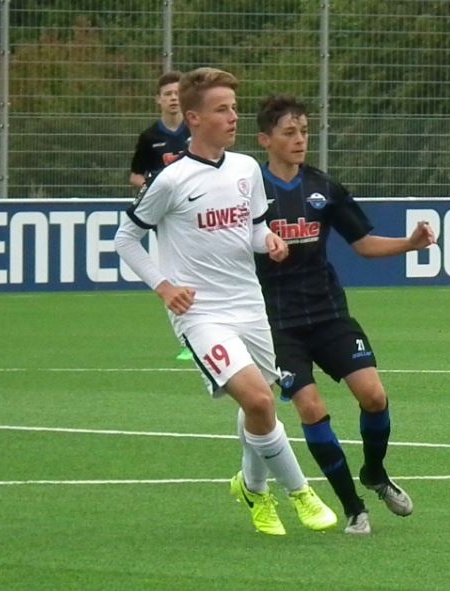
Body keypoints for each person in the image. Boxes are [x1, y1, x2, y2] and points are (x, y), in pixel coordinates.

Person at [115, 67, 337, 536]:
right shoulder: (171, 180)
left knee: (261, 406)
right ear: (194, 118)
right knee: (257, 398)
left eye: (234, 108)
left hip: (250, 304)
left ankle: (252, 488)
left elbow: (253, 227)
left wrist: (269, 239)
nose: (233, 116)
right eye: (222, 109)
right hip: (201, 313)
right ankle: (300, 492)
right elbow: (126, 239)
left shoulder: (245, 169)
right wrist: (164, 287)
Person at [254, 94, 435, 534]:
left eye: (304, 131)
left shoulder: (323, 187)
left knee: (373, 396)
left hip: (329, 312)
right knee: (311, 407)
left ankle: (374, 472)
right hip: (277, 324)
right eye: (289, 132)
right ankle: (354, 507)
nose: (300, 139)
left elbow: (364, 244)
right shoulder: (248, 190)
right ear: (265, 140)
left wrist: (409, 244)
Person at [127, 71, 193, 361]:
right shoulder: (150, 137)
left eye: (178, 93)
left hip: (195, 212)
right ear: (159, 100)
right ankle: (187, 339)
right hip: (164, 217)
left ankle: (205, 333)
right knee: (175, 274)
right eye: (168, 94)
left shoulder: (196, 130)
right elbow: (135, 176)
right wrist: (155, 189)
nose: (173, 98)